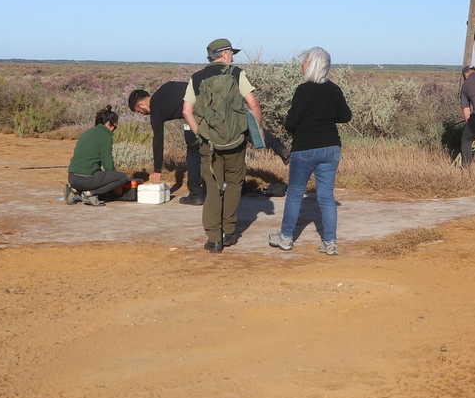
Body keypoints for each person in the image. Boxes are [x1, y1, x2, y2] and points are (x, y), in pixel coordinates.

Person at [183, 38, 264, 253]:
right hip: (236, 141)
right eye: (231, 53)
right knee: (235, 184)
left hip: (210, 144)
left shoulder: (197, 77)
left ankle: (214, 239)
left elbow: (186, 111)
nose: (234, 57)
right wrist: (257, 133)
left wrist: (201, 134)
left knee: (213, 188)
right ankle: (230, 233)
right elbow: (253, 104)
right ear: (224, 54)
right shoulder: (236, 73)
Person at [269, 47, 352, 255]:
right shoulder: (334, 90)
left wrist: (304, 123)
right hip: (331, 148)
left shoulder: (302, 90)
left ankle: (286, 238)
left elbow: (291, 123)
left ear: (312, 65)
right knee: (326, 196)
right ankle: (330, 242)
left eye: (304, 61)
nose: (301, 64)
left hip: (305, 148)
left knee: (295, 194)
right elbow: (346, 116)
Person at [128, 82, 205, 205]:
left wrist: (157, 170)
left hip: (198, 114)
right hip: (212, 107)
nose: (142, 114)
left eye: (139, 111)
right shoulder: (166, 87)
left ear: (141, 104)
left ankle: (196, 194)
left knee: (193, 151)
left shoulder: (156, 109)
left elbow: (158, 140)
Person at [67, 107, 130, 206]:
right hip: (85, 178)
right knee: (122, 178)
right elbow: (107, 163)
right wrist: (116, 181)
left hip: (72, 177)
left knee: (106, 194)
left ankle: (75, 190)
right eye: (115, 127)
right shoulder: (105, 136)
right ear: (109, 123)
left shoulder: (87, 133)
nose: (114, 130)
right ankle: (89, 193)